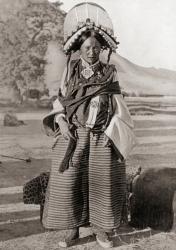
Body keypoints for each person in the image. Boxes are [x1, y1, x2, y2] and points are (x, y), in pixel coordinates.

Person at [42, 2, 136, 248]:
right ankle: (71, 230)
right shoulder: (70, 71)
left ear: (102, 48)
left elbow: (118, 106)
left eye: (96, 47)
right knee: (69, 181)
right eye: (87, 47)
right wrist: (61, 121)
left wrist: (112, 132)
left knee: (103, 184)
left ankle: (102, 231)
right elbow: (59, 100)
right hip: (73, 135)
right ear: (79, 48)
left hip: (102, 137)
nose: (92, 52)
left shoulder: (110, 72)